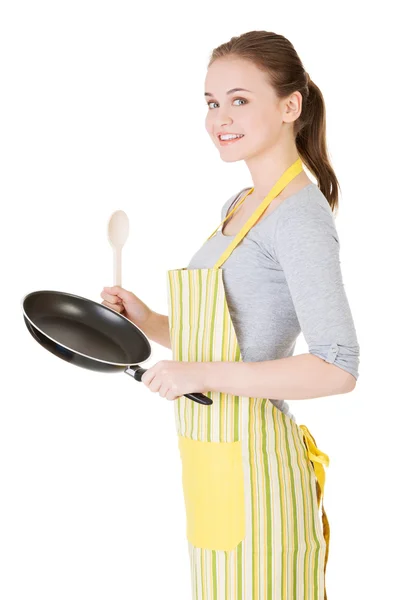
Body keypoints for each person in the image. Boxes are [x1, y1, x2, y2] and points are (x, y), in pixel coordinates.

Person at [100, 30, 359, 600]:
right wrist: (148, 321)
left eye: (240, 99)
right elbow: (234, 339)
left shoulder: (299, 218)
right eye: (212, 103)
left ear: (290, 106)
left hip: (261, 472)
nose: (221, 117)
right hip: (215, 465)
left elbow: (337, 367)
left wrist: (199, 375)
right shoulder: (239, 206)